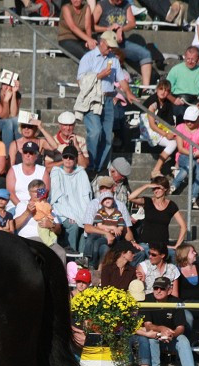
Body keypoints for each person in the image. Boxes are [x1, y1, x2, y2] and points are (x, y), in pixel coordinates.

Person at [77, 31, 125, 175]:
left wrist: (128, 94)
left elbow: (121, 79)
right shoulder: (88, 58)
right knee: (95, 132)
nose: (111, 49)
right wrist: (100, 75)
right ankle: (90, 164)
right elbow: (80, 81)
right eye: (109, 46)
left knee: (107, 137)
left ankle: (100, 168)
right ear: (101, 42)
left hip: (109, 99)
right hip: (92, 98)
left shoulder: (114, 60)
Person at [137, 276, 197, 366]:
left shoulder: (176, 301)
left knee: (183, 340)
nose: (158, 291)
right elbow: (148, 325)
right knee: (152, 339)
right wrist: (161, 329)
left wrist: (171, 334)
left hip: (171, 336)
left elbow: (180, 328)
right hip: (154, 336)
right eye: (156, 288)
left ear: (169, 290)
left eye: (162, 288)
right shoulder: (147, 299)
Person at [93, 0, 153, 87]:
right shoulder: (102, 5)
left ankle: (145, 88)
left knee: (146, 54)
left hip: (121, 43)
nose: (120, 1)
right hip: (106, 44)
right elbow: (91, 26)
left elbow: (132, 23)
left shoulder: (125, 4)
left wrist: (121, 29)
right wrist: (108, 28)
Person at [128, 175, 186, 256]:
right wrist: (146, 186)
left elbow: (183, 226)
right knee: (144, 254)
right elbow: (131, 198)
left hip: (162, 246)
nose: (156, 191)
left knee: (174, 256)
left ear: (165, 189)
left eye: (158, 188)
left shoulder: (171, 205)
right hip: (146, 244)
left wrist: (177, 245)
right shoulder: (147, 201)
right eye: (154, 188)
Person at [50, 145, 91, 253]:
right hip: (61, 211)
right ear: (62, 158)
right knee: (73, 225)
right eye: (66, 157)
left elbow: (85, 196)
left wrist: (84, 214)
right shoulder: (56, 172)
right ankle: (70, 255)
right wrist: (70, 214)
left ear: (76, 159)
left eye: (71, 157)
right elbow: (57, 196)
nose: (68, 160)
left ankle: (82, 257)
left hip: (79, 209)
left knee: (85, 225)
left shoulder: (81, 173)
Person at [13, 178, 65, 263]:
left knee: (61, 252)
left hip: (47, 240)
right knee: (41, 249)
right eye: (34, 192)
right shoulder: (22, 205)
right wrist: (27, 212)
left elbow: (59, 231)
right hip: (29, 239)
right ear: (29, 192)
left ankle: (60, 276)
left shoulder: (48, 206)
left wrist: (51, 225)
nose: (37, 194)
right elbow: (14, 226)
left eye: (40, 191)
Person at [171, 105, 199, 204]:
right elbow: (180, 148)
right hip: (184, 155)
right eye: (187, 120)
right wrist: (194, 154)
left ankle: (194, 196)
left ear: (198, 119)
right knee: (190, 164)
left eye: (192, 121)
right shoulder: (180, 127)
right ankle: (175, 184)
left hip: (198, 156)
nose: (189, 123)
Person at [166, 46, 199, 121]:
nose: (190, 61)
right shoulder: (175, 70)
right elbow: (165, 90)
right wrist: (174, 100)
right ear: (184, 57)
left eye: (193, 59)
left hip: (194, 102)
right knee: (180, 112)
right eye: (188, 59)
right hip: (178, 100)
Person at [6, 140, 47, 207]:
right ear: (22, 154)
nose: (27, 155)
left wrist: (34, 206)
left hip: (37, 206)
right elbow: (11, 192)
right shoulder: (13, 170)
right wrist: (21, 206)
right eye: (25, 152)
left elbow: (44, 192)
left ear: (36, 156)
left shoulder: (42, 170)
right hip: (16, 205)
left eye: (31, 153)